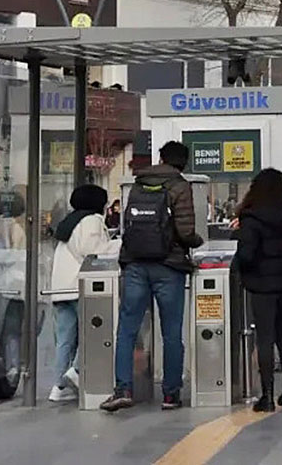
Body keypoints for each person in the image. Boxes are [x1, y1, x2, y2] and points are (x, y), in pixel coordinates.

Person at [101, 141, 203, 413]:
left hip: (135, 263)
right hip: (168, 265)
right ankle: (170, 394)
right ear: (184, 162)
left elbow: (128, 224)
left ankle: (123, 388)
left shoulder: (139, 183)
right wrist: (196, 241)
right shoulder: (180, 186)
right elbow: (185, 229)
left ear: (161, 158)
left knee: (127, 329)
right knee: (171, 331)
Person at [231, 168, 282, 412]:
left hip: (261, 285)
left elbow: (246, 255)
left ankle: (266, 396)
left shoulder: (252, 216)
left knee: (265, 338)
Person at [49, 184, 119, 402]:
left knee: (65, 340)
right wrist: (118, 244)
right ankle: (76, 372)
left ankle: (59, 386)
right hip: (81, 287)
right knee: (93, 332)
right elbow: (94, 252)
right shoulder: (91, 221)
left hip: (61, 288)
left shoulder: (69, 222)